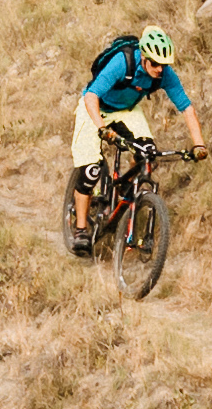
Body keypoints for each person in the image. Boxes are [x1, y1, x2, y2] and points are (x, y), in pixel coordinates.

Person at [67, 25, 197, 252]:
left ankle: (126, 185)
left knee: (148, 154)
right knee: (90, 170)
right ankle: (79, 229)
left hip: (127, 110)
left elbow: (186, 107)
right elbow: (91, 96)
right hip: (96, 107)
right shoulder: (122, 62)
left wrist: (199, 145)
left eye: (163, 65)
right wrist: (101, 127)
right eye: (155, 64)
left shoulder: (164, 74)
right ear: (144, 57)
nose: (159, 69)